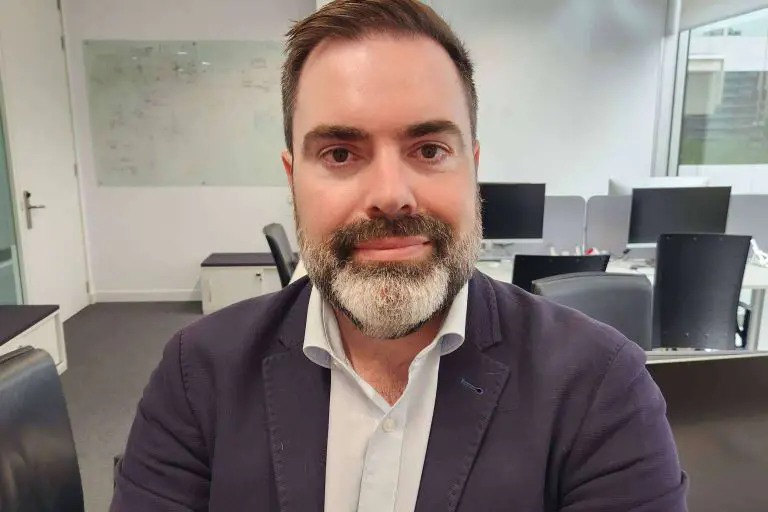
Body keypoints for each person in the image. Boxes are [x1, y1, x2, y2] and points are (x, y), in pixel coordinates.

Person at [110, 1, 687, 510]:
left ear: (473, 167)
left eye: (429, 149)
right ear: (292, 179)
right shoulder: (198, 373)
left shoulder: (600, 385)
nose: (390, 194)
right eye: (340, 153)